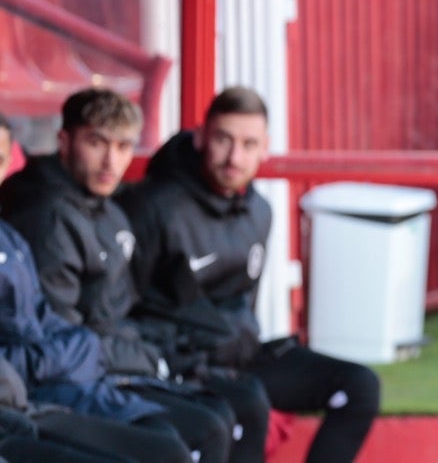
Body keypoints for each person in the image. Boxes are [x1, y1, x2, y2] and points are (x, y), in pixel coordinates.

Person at [119, 87, 381, 463]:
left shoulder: (259, 211)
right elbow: (125, 310)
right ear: (201, 137)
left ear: (265, 148)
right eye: (223, 140)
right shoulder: (152, 207)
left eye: (248, 143)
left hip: (239, 356)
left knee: (360, 386)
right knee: (248, 403)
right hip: (182, 364)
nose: (234, 157)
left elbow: (243, 305)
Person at [0, 90, 242, 463]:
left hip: (71, 375)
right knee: (192, 435)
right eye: (97, 143)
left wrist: (155, 355)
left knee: (223, 413)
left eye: (124, 146)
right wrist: (119, 355)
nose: (110, 162)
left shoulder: (100, 216)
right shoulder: (46, 217)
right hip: (51, 390)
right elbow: (64, 338)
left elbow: (85, 323)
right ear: (64, 142)